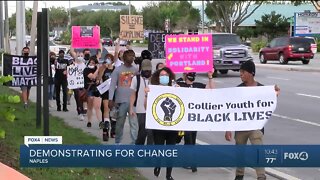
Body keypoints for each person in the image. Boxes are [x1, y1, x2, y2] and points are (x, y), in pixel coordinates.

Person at [224, 60, 280, 180]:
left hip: (256, 127)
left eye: (243, 72)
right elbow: (231, 110)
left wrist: (275, 93)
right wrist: (228, 129)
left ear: (251, 73)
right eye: (240, 72)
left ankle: (261, 176)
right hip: (241, 127)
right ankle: (239, 175)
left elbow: (270, 102)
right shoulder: (237, 90)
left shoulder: (261, 89)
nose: (240, 74)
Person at [176, 69, 215, 173]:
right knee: (188, 139)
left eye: (193, 74)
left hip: (194, 119)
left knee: (192, 140)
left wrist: (210, 77)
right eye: (190, 74)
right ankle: (190, 161)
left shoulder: (198, 85)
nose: (191, 76)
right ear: (185, 74)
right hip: (184, 118)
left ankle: (188, 161)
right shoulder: (180, 84)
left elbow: (211, 90)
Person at [150, 67, 178, 180]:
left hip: (172, 126)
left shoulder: (175, 88)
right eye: (162, 75)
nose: (164, 77)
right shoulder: (153, 89)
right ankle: (158, 164)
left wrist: (180, 90)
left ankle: (169, 174)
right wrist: (148, 94)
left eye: (166, 75)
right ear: (158, 77)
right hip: (158, 126)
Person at [108, 50, 139, 145]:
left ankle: (134, 142)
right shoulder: (118, 70)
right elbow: (112, 85)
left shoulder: (136, 70)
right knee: (119, 124)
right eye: (129, 56)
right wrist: (110, 99)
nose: (131, 57)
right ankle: (118, 142)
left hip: (133, 102)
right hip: (120, 101)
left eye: (133, 56)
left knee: (134, 124)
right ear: (124, 58)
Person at [129, 59, 154, 145]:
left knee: (151, 133)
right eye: (145, 69)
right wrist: (131, 107)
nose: (147, 71)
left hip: (152, 109)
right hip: (141, 109)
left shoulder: (154, 79)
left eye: (148, 69)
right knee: (142, 131)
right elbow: (133, 94)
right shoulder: (136, 79)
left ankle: (150, 152)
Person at [97, 53, 116, 141]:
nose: (108, 60)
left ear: (112, 60)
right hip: (105, 91)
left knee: (114, 111)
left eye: (110, 58)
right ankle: (106, 129)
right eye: (107, 58)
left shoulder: (116, 69)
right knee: (106, 108)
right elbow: (99, 78)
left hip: (114, 91)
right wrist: (103, 68)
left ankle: (113, 129)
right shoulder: (103, 68)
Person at [83, 56, 102, 128]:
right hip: (89, 89)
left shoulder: (98, 70)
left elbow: (99, 78)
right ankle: (89, 121)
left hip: (97, 89)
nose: (91, 64)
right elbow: (93, 76)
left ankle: (100, 121)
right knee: (90, 106)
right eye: (90, 62)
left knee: (97, 106)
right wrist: (97, 69)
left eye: (93, 63)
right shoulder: (86, 70)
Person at [71, 55, 86, 121]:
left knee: (82, 98)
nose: (80, 57)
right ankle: (80, 111)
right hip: (75, 84)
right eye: (78, 56)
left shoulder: (84, 65)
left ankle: (81, 109)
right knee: (78, 97)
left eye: (81, 56)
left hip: (82, 84)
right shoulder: (73, 65)